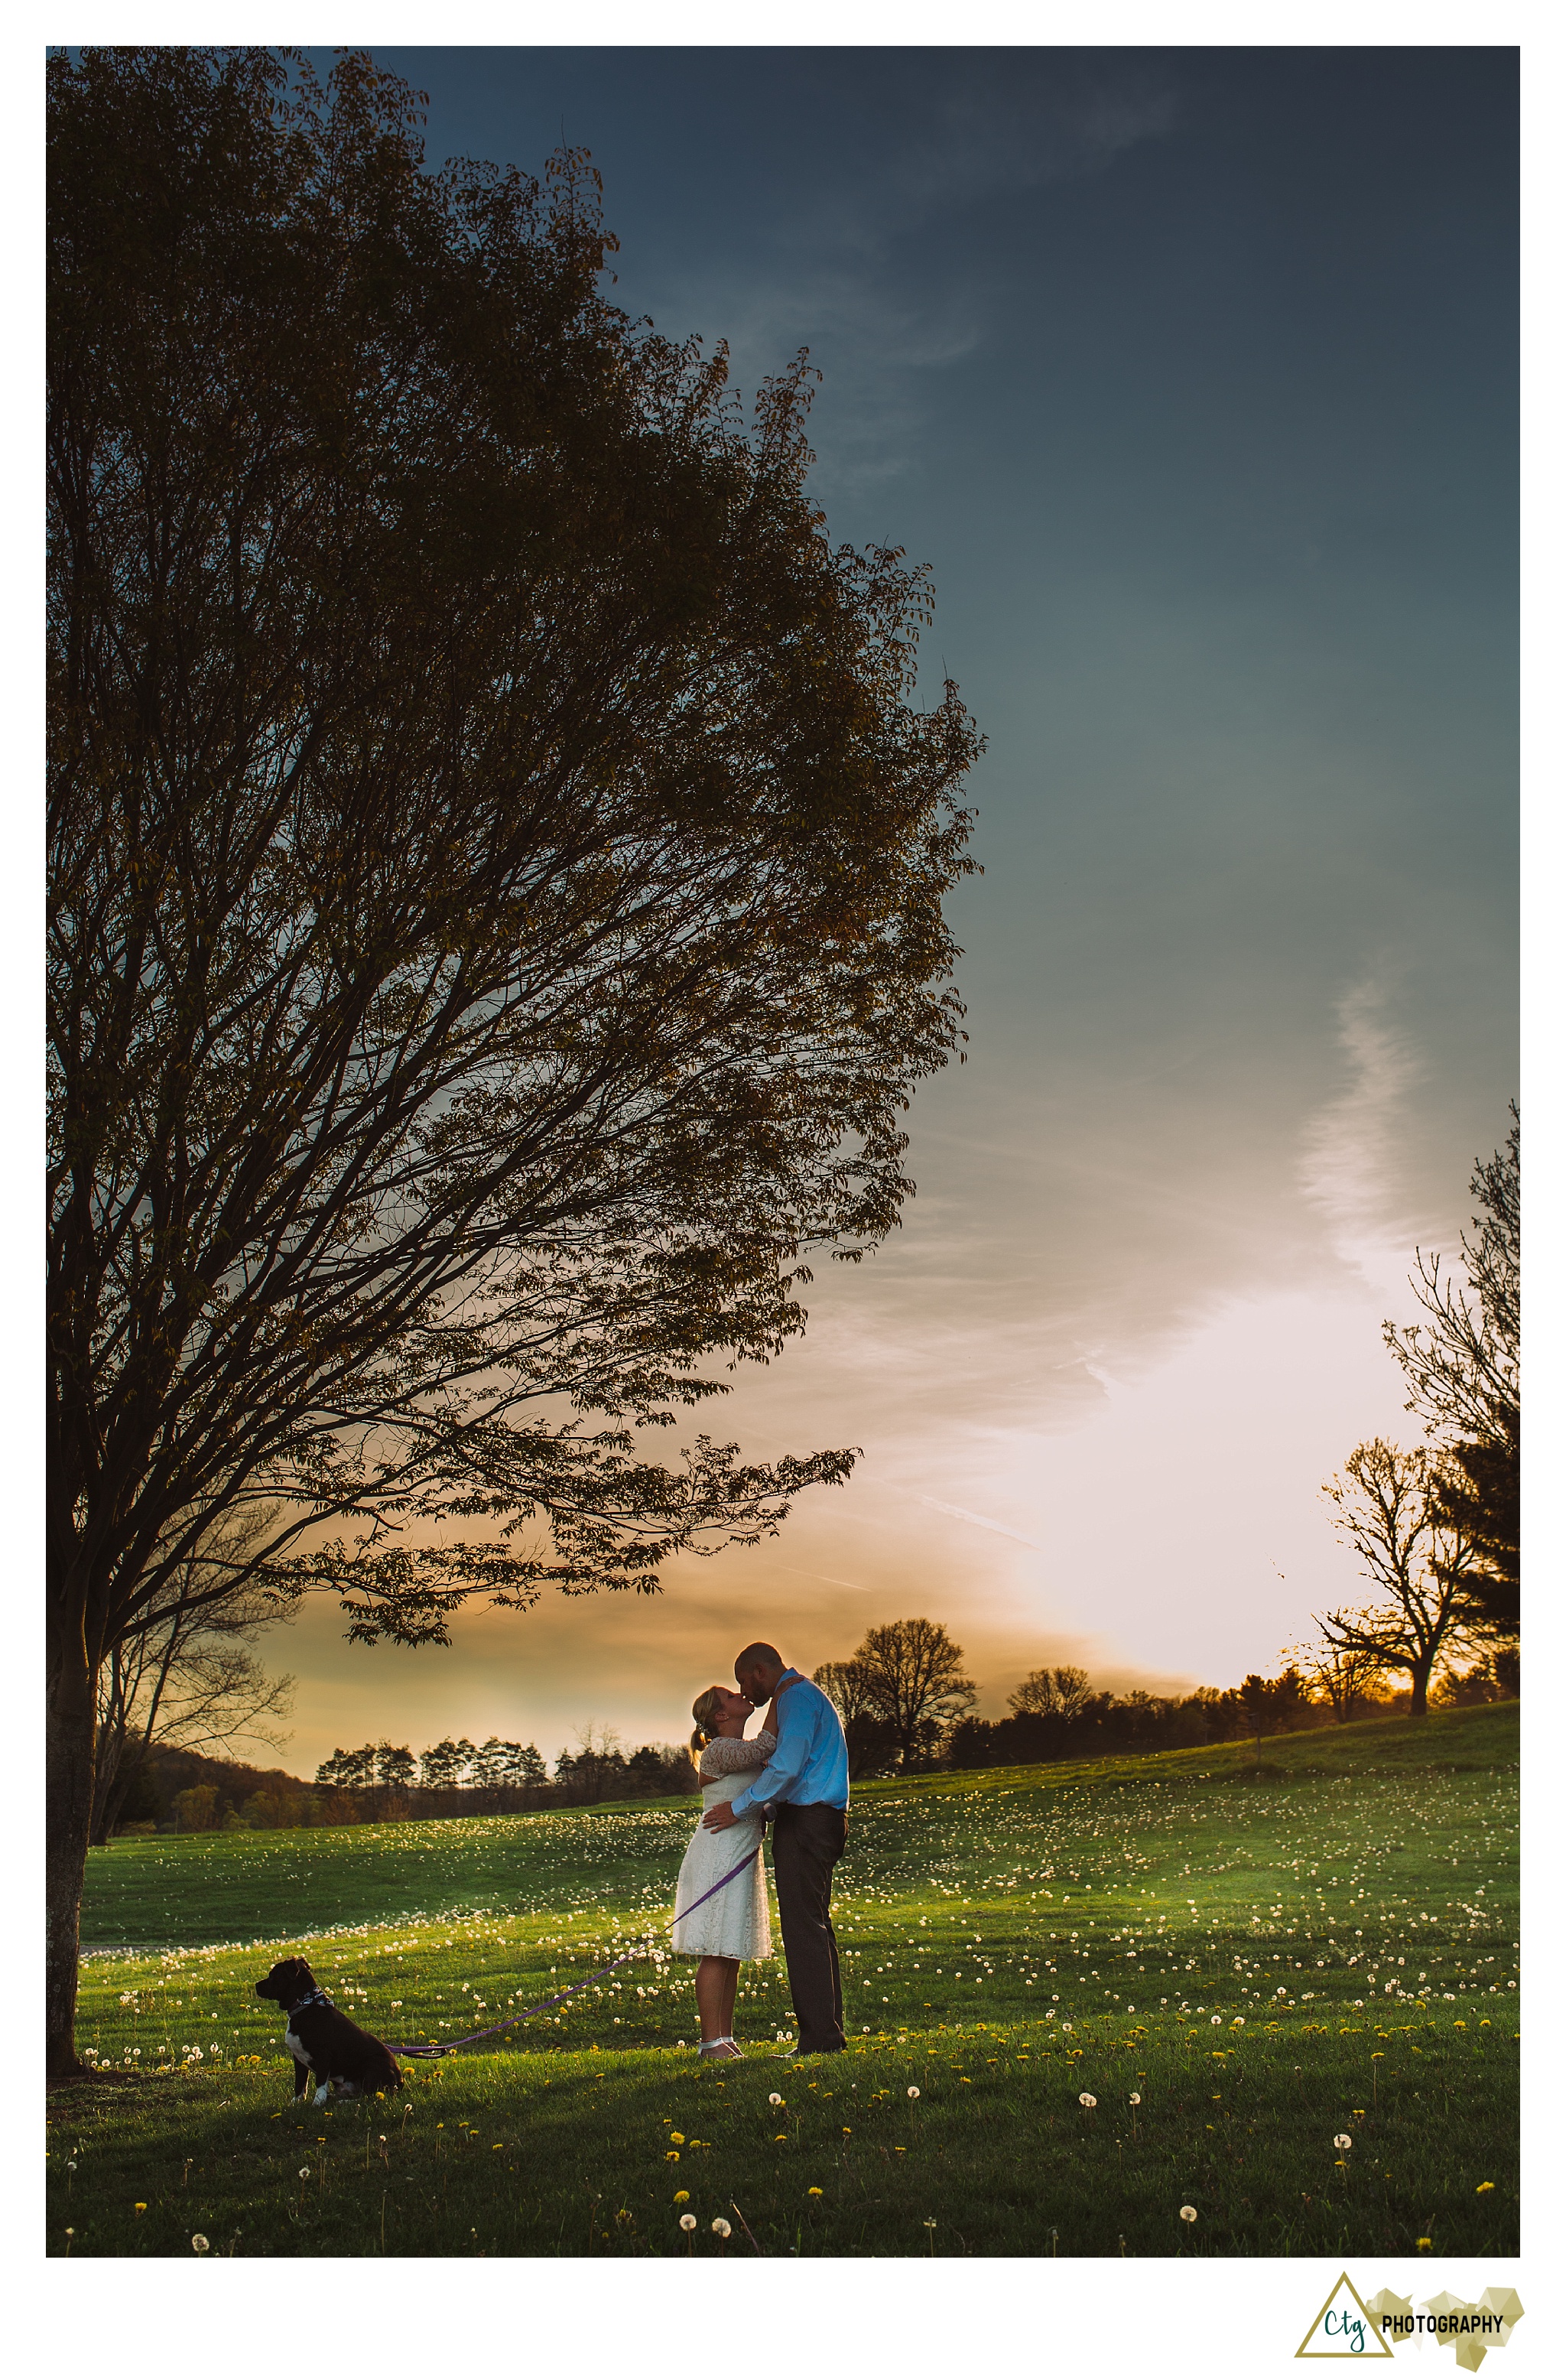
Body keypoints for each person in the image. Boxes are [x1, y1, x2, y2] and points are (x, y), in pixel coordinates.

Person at [702, 1640, 850, 2056]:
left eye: (743, 1682)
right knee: (815, 1927)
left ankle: (819, 2041)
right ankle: (827, 2035)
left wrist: (741, 1808)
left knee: (805, 1930)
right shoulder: (796, 1696)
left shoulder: (797, 1698)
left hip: (809, 1821)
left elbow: (787, 1766)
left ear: (760, 1671)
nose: (745, 1692)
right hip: (815, 1818)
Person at [672, 1684, 775, 2061]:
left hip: (738, 1853)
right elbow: (765, 1746)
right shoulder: (720, 1750)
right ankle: (709, 2042)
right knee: (715, 1950)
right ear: (720, 1716)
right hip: (718, 1856)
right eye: (732, 1696)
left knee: (729, 1950)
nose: (740, 1695)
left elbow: (764, 1795)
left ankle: (724, 2039)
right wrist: (781, 1697)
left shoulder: (738, 1754)